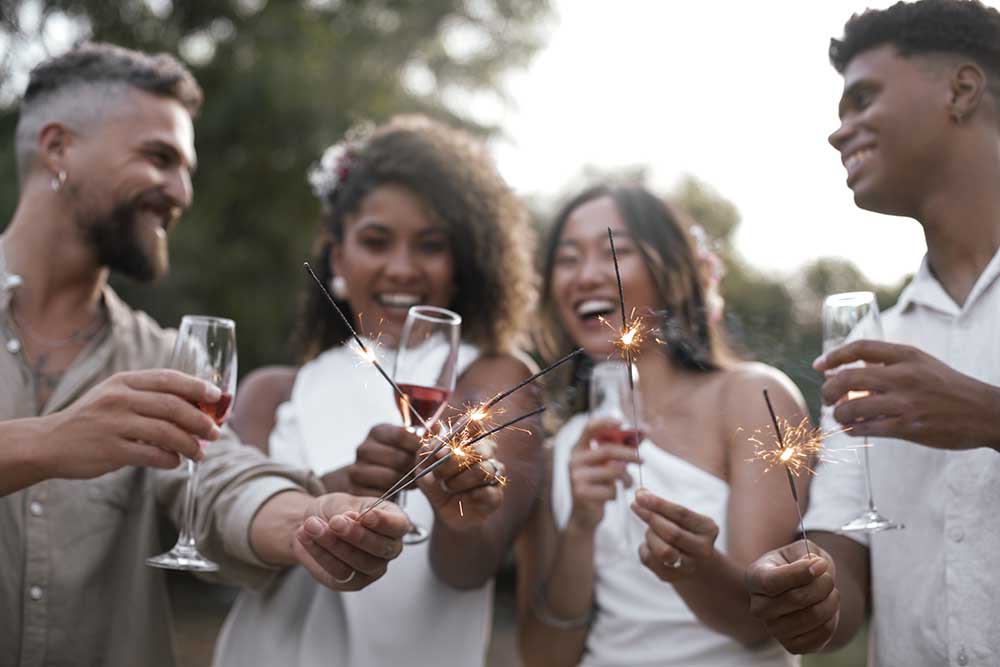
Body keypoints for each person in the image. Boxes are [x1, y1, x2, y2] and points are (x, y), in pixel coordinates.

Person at [0, 43, 408, 667]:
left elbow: (219, 481)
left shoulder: (165, 355)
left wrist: (309, 521)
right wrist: (46, 442)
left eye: (186, 168)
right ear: (58, 148)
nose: (180, 192)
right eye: (158, 158)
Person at [213, 115, 541, 667]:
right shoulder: (272, 392)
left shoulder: (494, 378)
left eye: (430, 245)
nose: (401, 267)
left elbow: (470, 571)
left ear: (461, 264)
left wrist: (459, 505)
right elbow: (222, 549)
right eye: (375, 241)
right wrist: (339, 487)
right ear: (338, 260)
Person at [745, 1, 1000, 664]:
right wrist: (811, 594)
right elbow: (846, 574)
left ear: (962, 89)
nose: (839, 133)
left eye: (861, 99)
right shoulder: (874, 343)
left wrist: (989, 415)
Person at [516, 183, 808, 667]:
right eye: (568, 259)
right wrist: (581, 527)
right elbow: (543, 658)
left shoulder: (754, 398)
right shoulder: (561, 447)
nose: (587, 275)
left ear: (672, 271)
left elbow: (765, 625)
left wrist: (693, 567)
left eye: (614, 251)